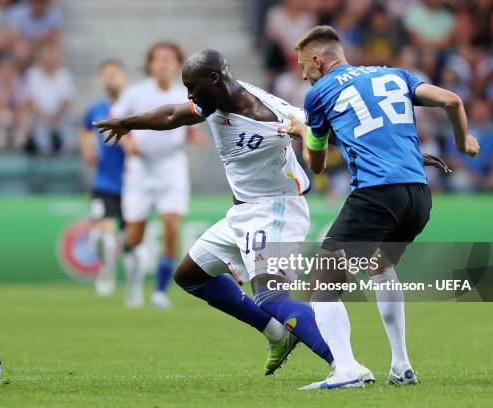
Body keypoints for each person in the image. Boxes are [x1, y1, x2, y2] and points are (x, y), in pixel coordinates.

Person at [95, 49, 350, 378]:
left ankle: (345, 366)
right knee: (189, 276)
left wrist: (394, 155)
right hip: (243, 213)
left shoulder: (271, 115)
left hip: (276, 210)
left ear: (214, 79)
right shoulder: (213, 99)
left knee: (271, 296)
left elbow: (320, 132)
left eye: (192, 87)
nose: (189, 95)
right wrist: (127, 123)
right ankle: (277, 334)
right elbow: (173, 115)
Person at [289, 25, 479, 389]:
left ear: (318, 60)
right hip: (418, 195)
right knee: (380, 265)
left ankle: (346, 371)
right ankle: (401, 365)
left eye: (303, 66)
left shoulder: (319, 93)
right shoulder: (395, 75)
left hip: (376, 195)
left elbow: (315, 165)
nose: (302, 74)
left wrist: (303, 132)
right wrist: (463, 143)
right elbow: (452, 100)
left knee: (322, 284)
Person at [108, 42, 203, 309]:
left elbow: (191, 123)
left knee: (171, 228)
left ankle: (160, 291)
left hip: (171, 168)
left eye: (169, 59)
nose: (163, 64)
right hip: (140, 170)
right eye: (158, 59)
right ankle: (132, 273)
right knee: (134, 237)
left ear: (178, 65)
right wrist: (128, 145)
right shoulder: (136, 92)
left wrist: (193, 134)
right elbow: (117, 120)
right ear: (150, 64)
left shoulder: (187, 94)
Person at [79, 60, 127, 297]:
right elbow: (84, 128)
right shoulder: (96, 109)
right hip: (104, 183)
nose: (111, 78)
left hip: (133, 185)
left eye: (115, 73)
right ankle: (106, 272)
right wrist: (87, 147)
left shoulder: (133, 107)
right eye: (106, 74)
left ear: (124, 77)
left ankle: (133, 285)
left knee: (131, 240)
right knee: (101, 232)